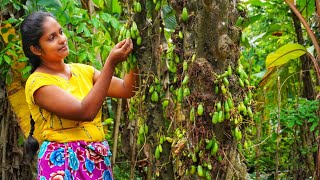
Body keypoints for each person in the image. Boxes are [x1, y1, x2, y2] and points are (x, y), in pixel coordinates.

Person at [21, 11, 137, 180]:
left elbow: (127, 89)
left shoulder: (83, 71)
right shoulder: (38, 83)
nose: (62, 39)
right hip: (62, 165)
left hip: (97, 161)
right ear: (36, 49)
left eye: (61, 32)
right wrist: (111, 63)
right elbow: (85, 112)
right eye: (51, 38)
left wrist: (137, 54)